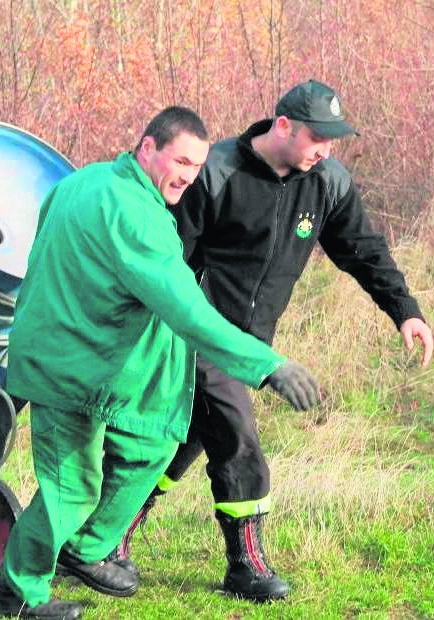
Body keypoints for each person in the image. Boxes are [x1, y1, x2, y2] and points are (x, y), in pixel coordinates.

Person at [0, 106, 321, 619]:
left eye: (197, 166)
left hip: (98, 360)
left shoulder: (85, 180)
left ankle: (87, 548)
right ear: (147, 148)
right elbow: (187, 310)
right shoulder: (136, 217)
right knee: (70, 489)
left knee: (152, 444)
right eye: (180, 160)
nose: (187, 175)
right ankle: (16, 595)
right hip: (64, 366)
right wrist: (267, 365)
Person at [117, 80, 433, 602]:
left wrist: (405, 311)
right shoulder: (215, 172)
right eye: (317, 138)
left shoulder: (326, 181)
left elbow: (363, 250)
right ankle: (247, 567)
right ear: (282, 125)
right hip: (196, 335)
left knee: (181, 444)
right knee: (239, 440)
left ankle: (105, 538)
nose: (326, 150)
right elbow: (167, 264)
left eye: (333, 140)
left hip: (253, 343)